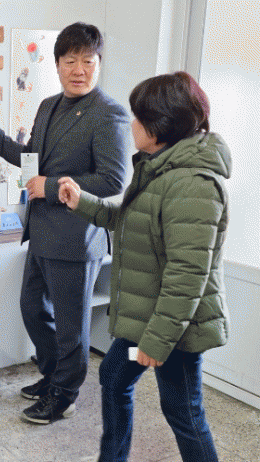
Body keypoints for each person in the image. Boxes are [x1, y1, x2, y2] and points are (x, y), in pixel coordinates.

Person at [0, 22, 129, 424]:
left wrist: (51, 187)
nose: (79, 70)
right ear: (57, 65)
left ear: (99, 63)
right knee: (33, 308)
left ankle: (65, 395)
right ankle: (54, 375)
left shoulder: (109, 113)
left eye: (87, 61)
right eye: (70, 61)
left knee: (72, 327)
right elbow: (30, 164)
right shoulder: (48, 105)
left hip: (76, 237)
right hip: (41, 233)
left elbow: (113, 180)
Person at [58, 71, 229, 462]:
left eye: (139, 116)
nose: (132, 124)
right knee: (114, 375)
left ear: (160, 125)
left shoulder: (193, 183)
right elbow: (131, 221)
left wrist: (156, 341)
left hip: (174, 330)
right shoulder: (160, 169)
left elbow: (187, 277)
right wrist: (82, 201)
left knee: (183, 412)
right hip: (147, 320)